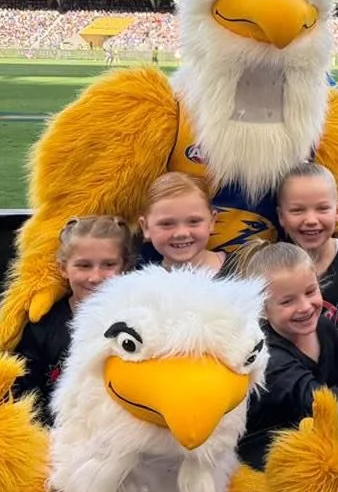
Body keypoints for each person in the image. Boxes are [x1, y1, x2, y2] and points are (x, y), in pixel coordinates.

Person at [240, 241, 338, 465]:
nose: (304, 307)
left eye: (310, 291)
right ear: (261, 309)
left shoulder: (322, 325)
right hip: (268, 455)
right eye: (287, 301)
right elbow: (315, 401)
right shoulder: (268, 355)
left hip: (319, 437)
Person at [13, 215, 134, 423]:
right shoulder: (44, 325)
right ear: (63, 268)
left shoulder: (136, 320)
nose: (95, 277)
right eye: (84, 265)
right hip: (58, 436)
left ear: (124, 267)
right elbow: (25, 387)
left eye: (108, 265)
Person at [276, 163, 338, 357]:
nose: (311, 219)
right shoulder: (273, 267)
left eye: (322, 209)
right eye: (297, 211)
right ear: (281, 216)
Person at [138, 171, 226, 274]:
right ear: (145, 227)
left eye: (194, 221)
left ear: (212, 221)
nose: (181, 233)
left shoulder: (244, 270)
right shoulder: (138, 284)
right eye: (167, 224)